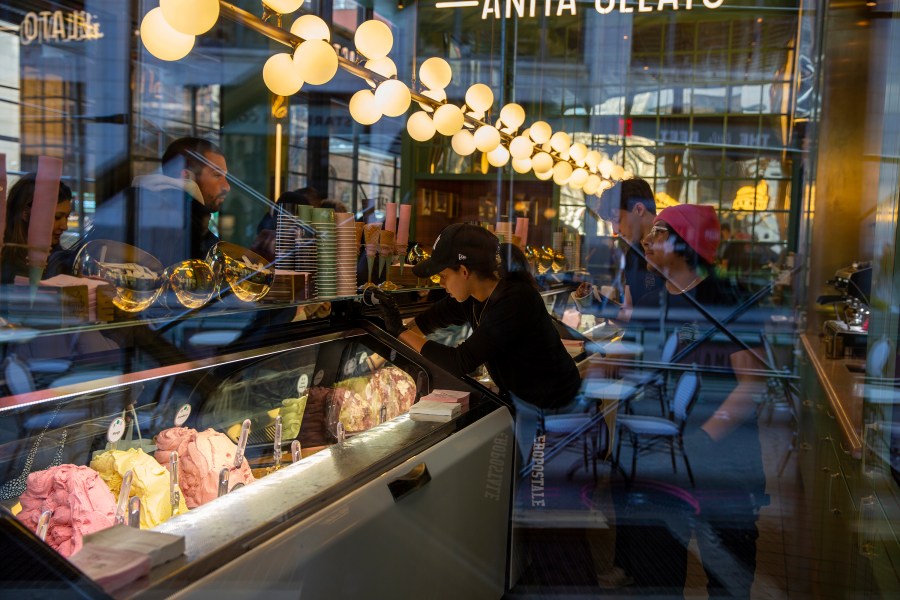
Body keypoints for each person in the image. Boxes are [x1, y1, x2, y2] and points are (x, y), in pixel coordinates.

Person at [615, 203, 767, 598]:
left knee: (728, 585)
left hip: (721, 469)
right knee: (656, 581)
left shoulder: (722, 299)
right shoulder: (650, 299)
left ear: (686, 244)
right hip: (659, 469)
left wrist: (700, 439)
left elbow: (751, 383)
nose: (647, 241)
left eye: (659, 233)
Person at [366, 224, 582, 444]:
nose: (441, 284)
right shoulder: (473, 296)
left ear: (464, 271)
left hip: (562, 420)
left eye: (443, 276)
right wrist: (385, 346)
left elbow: (460, 361)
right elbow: (429, 320)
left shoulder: (516, 299)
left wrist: (400, 331)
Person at [84, 137, 230, 267]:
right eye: (217, 175)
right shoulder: (166, 217)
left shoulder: (140, 206)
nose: (227, 186)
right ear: (185, 176)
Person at [576, 178, 664, 324]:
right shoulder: (632, 255)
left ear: (639, 209)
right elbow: (629, 314)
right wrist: (596, 304)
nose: (615, 230)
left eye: (617, 219)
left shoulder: (668, 251)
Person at [1, 173, 73, 283]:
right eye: (57, 217)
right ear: (25, 214)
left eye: (67, 217)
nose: (65, 226)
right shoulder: (5, 265)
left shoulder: (61, 262)